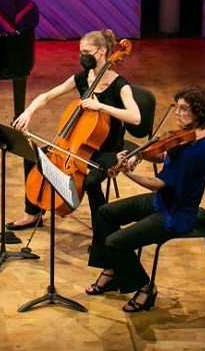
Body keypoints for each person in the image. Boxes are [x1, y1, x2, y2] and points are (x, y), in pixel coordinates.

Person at [85, 86, 205, 312]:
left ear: (199, 114)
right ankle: (112, 270)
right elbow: (165, 155)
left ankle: (145, 287)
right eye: (177, 107)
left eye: (184, 109)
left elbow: (160, 183)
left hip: (175, 214)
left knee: (115, 242)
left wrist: (129, 172)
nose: (177, 113)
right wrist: (143, 155)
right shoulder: (185, 137)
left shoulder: (194, 151)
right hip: (163, 201)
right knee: (105, 213)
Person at [10, 28, 141, 230]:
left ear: (102, 52)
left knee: (91, 181)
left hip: (109, 149)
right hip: (78, 147)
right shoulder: (82, 78)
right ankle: (33, 214)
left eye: (87, 53)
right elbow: (46, 96)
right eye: (81, 53)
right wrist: (28, 112)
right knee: (32, 156)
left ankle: (103, 232)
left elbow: (136, 117)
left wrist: (101, 106)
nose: (83, 57)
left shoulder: (119, 85)